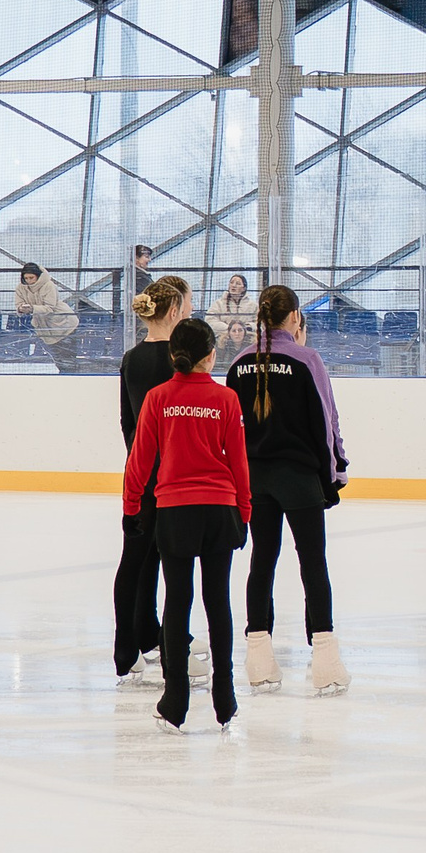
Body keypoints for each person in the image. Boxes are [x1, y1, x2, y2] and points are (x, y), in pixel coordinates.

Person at [123, 318, 252, 734]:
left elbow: (140, 458)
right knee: (218, 603)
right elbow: (238, 461)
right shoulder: (226, 399)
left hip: (175, 511)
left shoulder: (159, 398)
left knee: (177, 603)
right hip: (219, 509)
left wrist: (131, 507)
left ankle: (175, 699)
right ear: (211, 355)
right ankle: (225, 697)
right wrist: (245, 511)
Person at [226, 284, 350, 696]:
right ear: (294, 316)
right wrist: (335, 476)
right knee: (313, 564)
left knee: (262, 561)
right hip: (299, 479)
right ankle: (326, 664)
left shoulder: (240, 362)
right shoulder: (305, 359)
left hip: (256, 479)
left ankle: (258, 659)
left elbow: (232, 432)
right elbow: (325, 422)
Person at [114, 273, 190, 683]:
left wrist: (139, 459)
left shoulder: (131, 358)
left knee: (137, 562)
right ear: (175, 310)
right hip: (173, 476)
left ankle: (132, 642)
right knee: (166, 562)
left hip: (140, 472)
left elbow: (128, 422)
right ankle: (161, 639)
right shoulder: (179, 362)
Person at [13, 263, 79, 369]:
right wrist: (21, 309)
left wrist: (32, 308)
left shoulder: (49, 285)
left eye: (31, 278)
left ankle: (70, 376)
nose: (29, 281)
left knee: (67, 358)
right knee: (57, 358)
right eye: (26, 278)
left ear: (38, 276)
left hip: (63, 323)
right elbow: (18, 304)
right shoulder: (20, 288)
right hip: (45, 327)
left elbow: (49, 307)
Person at [211, 273, 254, 346]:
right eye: (231, 282)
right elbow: (210, 321)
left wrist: (248, 327)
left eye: (238, 283)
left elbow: (261, 323)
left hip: (247, 343)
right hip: (223, 342)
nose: (233, 285)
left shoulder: (253, 305)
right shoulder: (218, 304)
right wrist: (229, 329)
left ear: (244, 288)